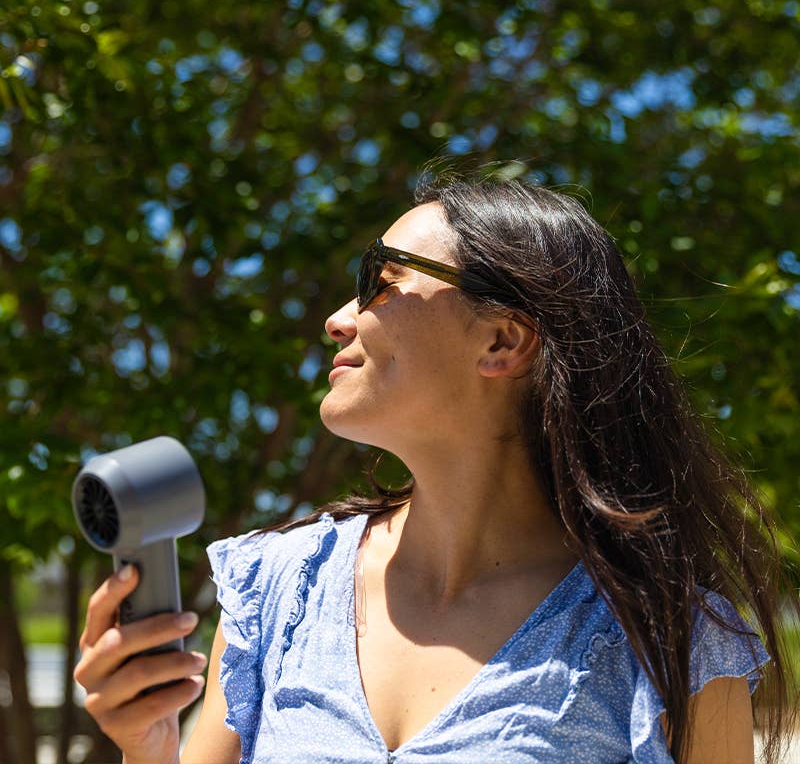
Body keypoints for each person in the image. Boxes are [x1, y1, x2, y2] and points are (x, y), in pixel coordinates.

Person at [74, 174, 797, 764]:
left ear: (502, 341)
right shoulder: (277, 590)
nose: (338, 318)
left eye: (379, 280)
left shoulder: (667, 637)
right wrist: (148, 748)